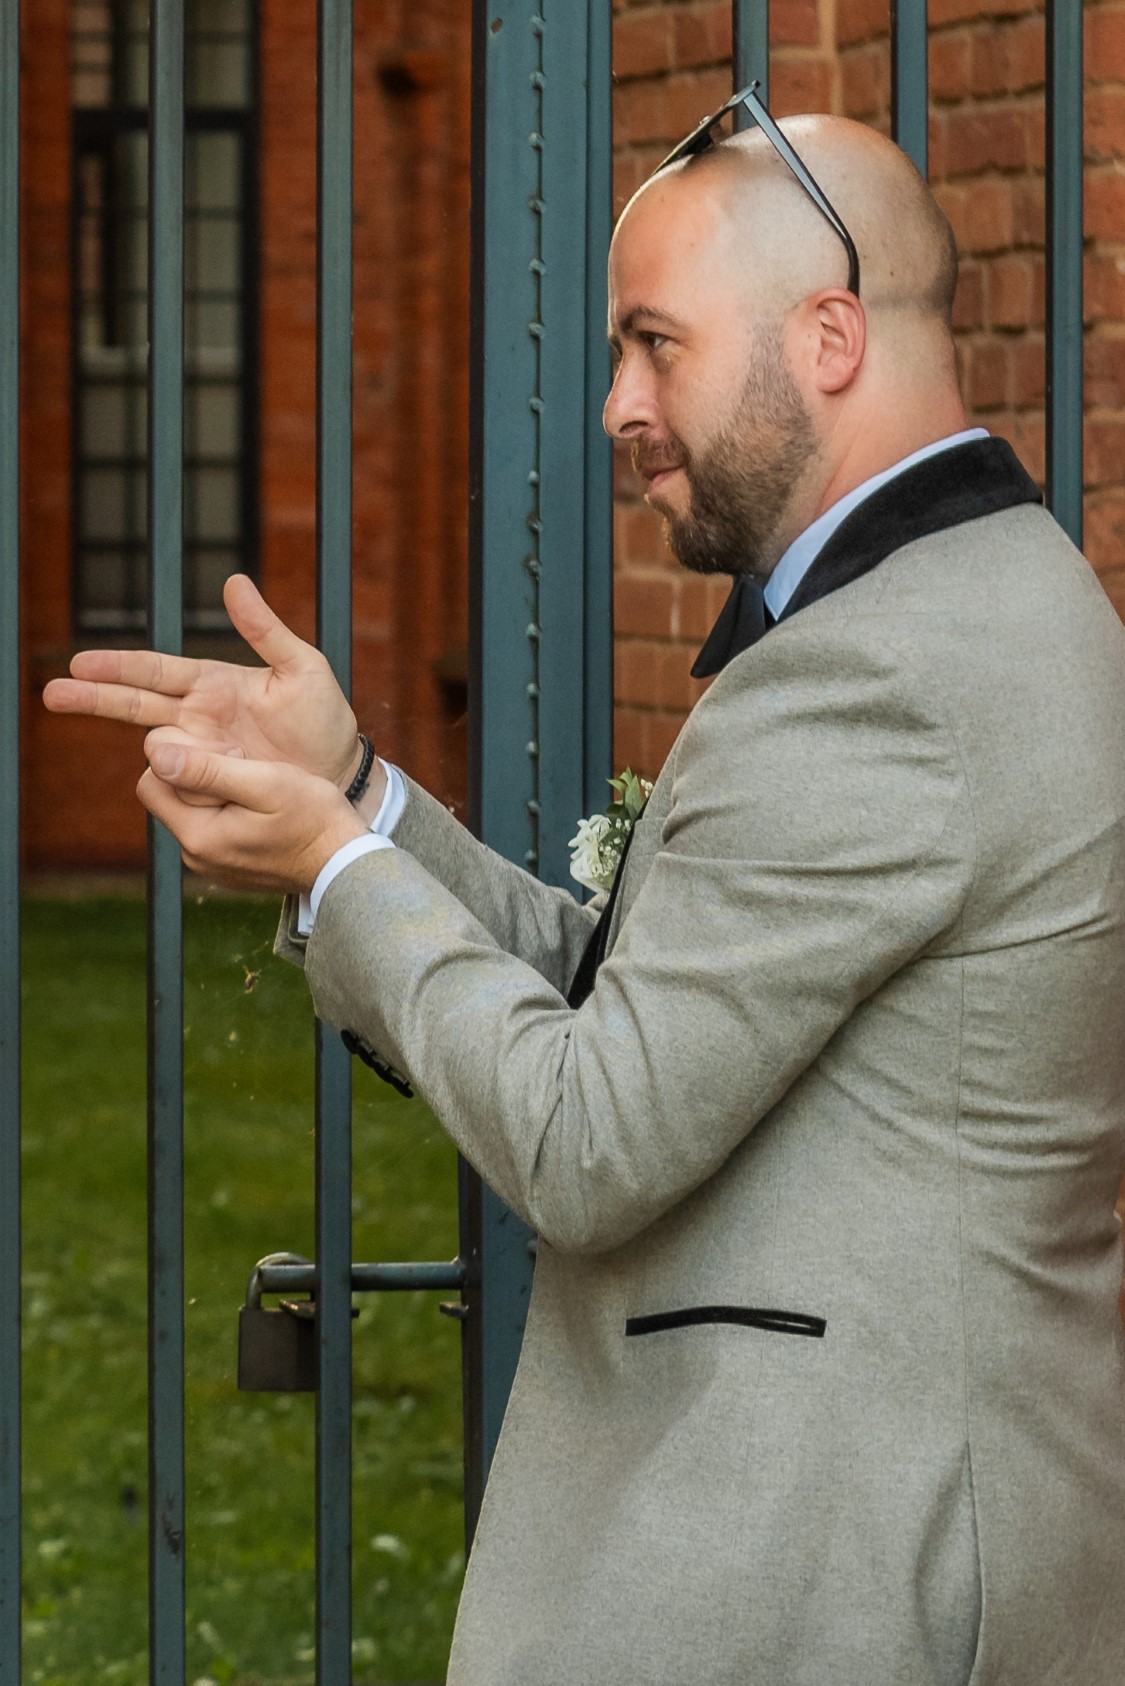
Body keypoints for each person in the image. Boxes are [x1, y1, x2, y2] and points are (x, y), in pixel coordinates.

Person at [45, 113, 1125, 1686]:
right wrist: (357, 796)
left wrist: (334, 869)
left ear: (827, 337)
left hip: (840, 1575)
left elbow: (590, 1134)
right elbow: (656, 1007)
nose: (618, 401)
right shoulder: (960, 600)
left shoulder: (889, 669)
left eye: (654, 343)